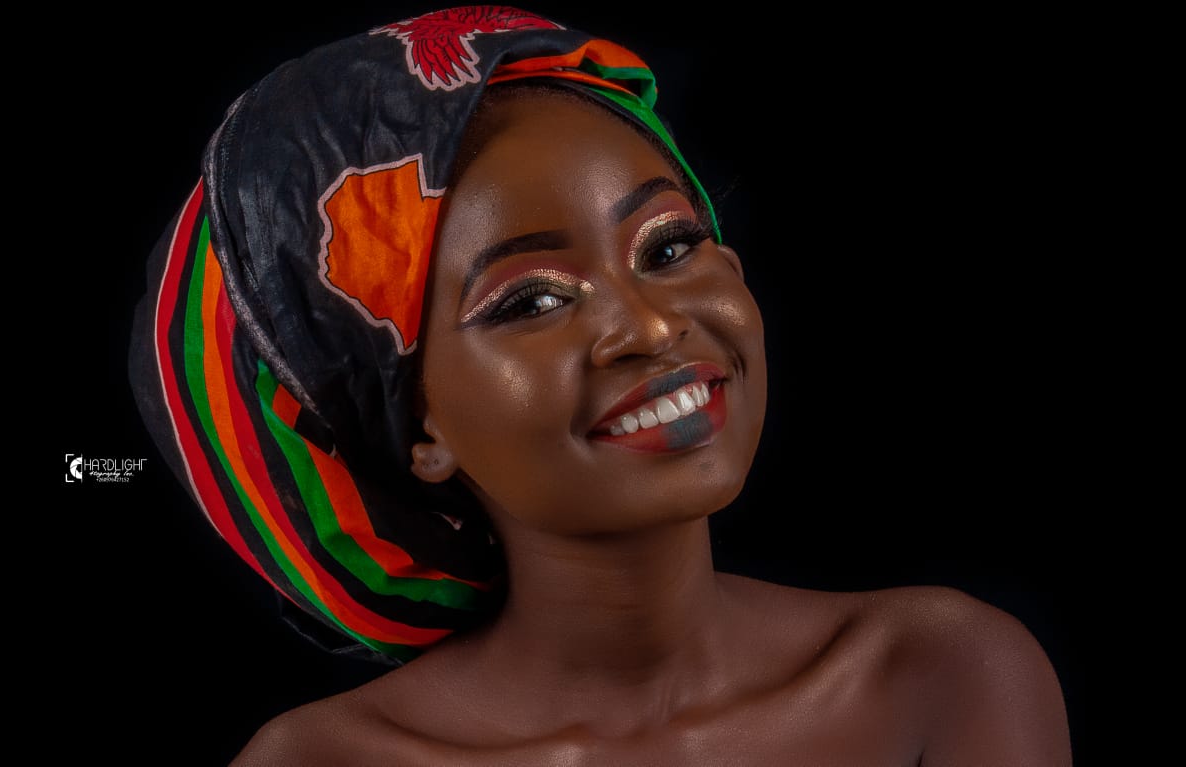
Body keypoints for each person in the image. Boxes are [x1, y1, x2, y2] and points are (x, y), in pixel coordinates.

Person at [129, 5, 1073, 764]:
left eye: (667, 246)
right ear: (417, 426)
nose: (651, 326)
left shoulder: (943, 676)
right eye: (532, 300)